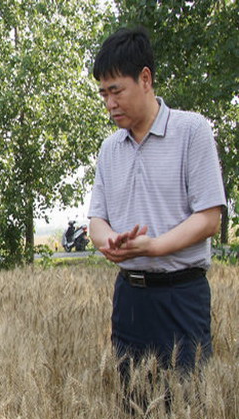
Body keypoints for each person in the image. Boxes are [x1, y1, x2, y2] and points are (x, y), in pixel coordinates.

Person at [88, 27, 226, 379]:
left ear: (145, 79)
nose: (109, 103)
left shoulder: (192, 131)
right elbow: (96, 221)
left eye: (116, 91)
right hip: (129, 298)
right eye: (103, 94)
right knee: (133, 402)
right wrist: (112, 242)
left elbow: (209, 218)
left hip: (181, 295)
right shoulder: (109, 149)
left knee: (189, 401)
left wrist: (154, 247)